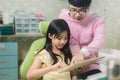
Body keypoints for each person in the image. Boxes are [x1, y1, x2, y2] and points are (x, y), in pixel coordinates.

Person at [59, 0, 105, 79]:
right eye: (73, 10)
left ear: (89, 7)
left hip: (88, 62)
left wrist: (83, 53)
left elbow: (99, 41)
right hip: (67, 60)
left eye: (82, 10)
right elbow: (71, 41)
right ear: (69, 5)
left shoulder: (97, 20)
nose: (77, 15)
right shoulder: (63, 17)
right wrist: (78, 59)